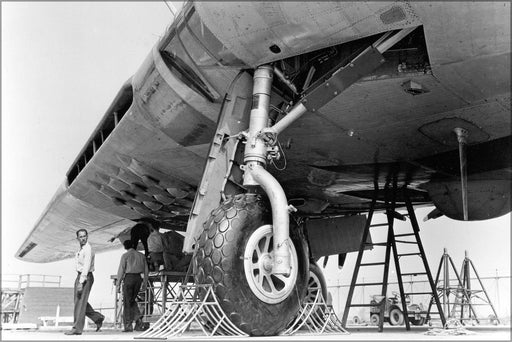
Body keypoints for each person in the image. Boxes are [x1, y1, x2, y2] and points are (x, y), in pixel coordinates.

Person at [65, 229, 105, 335]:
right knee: (79, 302)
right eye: (81, 236)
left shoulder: (88, 249)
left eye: (84, 236)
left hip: (85, 276)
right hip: (80, 275)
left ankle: (77, 329)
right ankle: (97, 318)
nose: (83, 238)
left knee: (80, 302)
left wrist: (81, 282)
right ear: (77, 238)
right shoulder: (81, 248)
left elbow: (86, 266)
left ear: (87, 236)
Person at [115, 239, 149, 332]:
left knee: (127, 302)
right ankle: (138, 321)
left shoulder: (125, 255)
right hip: (138, 279)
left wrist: (118, 284)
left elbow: (121, 270)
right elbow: (146, 270)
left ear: (125, 247)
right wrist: (145, 283)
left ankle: (128, 326)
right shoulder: (141, 255)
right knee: (131, 300)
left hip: (129, 278)